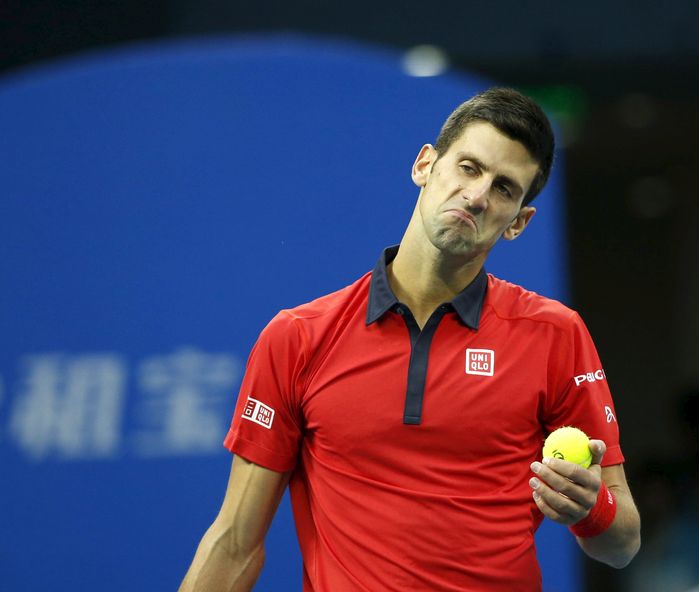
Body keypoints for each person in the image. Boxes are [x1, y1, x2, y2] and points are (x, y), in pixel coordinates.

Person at [179, 87, 640, 592]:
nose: (478, 195)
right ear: (425, 165)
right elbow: (234, 544)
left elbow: (622, 545)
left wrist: (592, 507)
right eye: (468, 167)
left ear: (518, 224)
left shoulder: (555, 334)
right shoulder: (298, 338)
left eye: (505, 189)